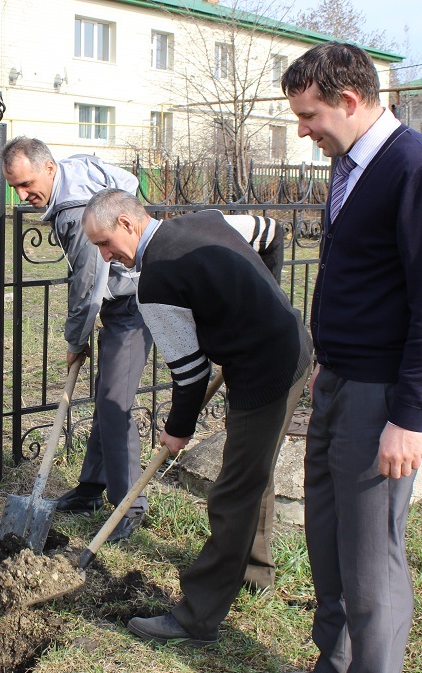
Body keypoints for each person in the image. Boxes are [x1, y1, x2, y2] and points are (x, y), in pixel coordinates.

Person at [280, 43, 422, 673]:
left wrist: (408, 419)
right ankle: (334, 669)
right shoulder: (351, 163)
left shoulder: (418, 170)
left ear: (349, 102)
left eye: (309, 117)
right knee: (327, 540)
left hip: (382, 394)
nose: (303, 131)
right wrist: (323, 359)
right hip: (338, 379)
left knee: (369, 559)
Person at [81, 189, 313, 647]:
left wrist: (177, 430)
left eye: (106, 243)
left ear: (127, 223)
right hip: (290, 347)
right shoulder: (207, 220)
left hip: (265, 371)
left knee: (232, 490)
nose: (106, 257)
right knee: (253, 471)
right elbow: (272, 232)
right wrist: (265, 301)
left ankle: (197, 617)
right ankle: (255, 571)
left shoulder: (156, 283)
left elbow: (190, 374)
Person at [2, 136, 152, 542]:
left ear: (49, 168)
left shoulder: (73, 209)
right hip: (125, 300)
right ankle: (91, 489)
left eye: (27, 183)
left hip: (136, 303)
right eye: (14, 187)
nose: (22, 195)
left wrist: (76, 339)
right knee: (108, 394)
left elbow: (89, 282)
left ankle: (128, 508)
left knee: (114, 400)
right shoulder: (77, 173)